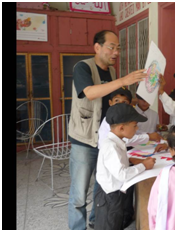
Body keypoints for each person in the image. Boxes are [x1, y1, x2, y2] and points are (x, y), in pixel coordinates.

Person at [68, 30, 147, 230]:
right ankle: (78, 228)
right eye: (111, 47)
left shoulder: (110, 73)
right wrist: (122, 81)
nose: (116, 52)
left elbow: (114, 100)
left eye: (118, 48)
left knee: (102, 184)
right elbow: (90, 93)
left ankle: (97, 220)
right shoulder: (83, 68)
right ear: (97, 47)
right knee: (79, 192)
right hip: (84, 140)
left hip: (105, 140)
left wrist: (150, 91)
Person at [94, 103, 156, 230]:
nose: (137, 128)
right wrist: (143, 166)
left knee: (115, 223)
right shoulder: (111, 146)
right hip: (109, 197)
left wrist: (131, 159)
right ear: (121, 128)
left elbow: (115, 162)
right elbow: (122, 174)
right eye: (134, 125)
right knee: (109, 225)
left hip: (113, 193)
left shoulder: (116, 141)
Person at [98, 87, 162, 149]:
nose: (120, 104)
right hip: (110, 152)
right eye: (117, 100)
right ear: (110, 103)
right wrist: (148, 136)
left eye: (125, 102)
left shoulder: (124, 117)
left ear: (129, 105)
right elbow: (126, 140)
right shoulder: (110, 118)